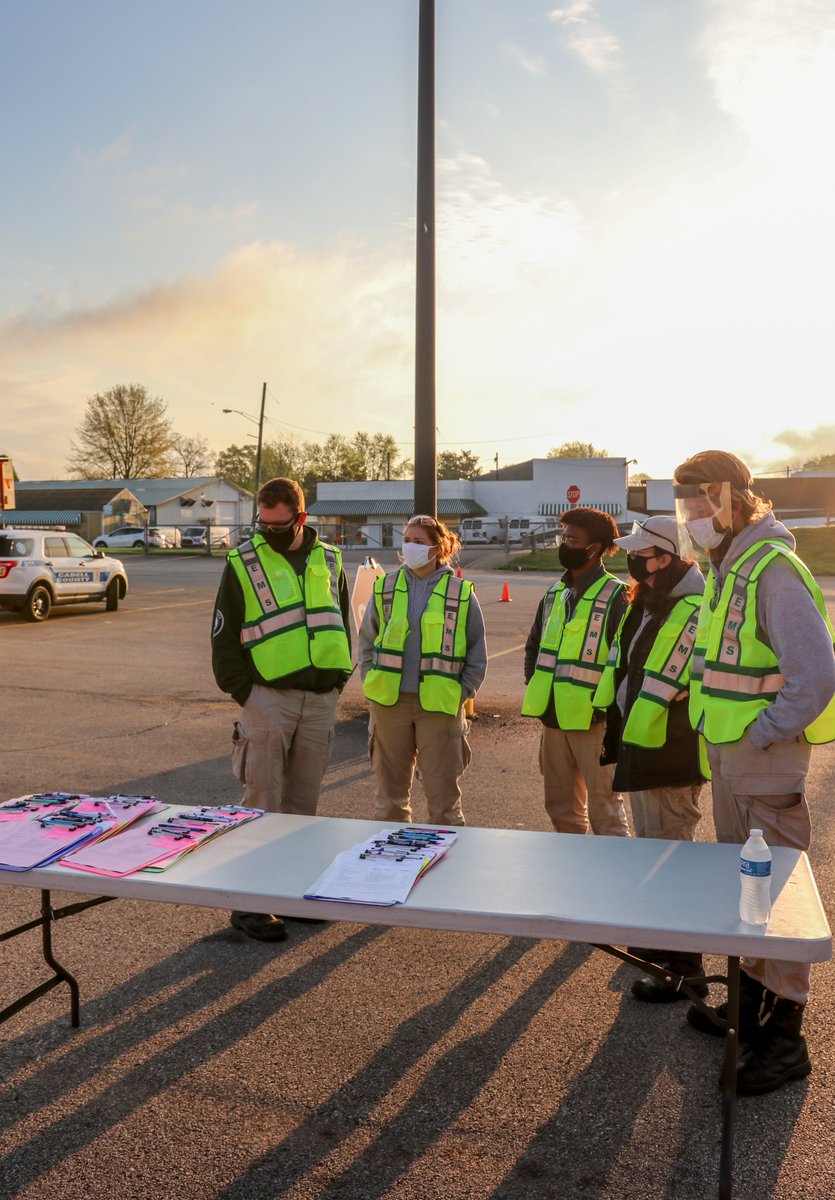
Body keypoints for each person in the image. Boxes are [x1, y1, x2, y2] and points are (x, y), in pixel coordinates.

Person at [673, 450, 835, 1095]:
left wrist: (763, 736)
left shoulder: (771, 567)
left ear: (732, 497)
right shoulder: (728, 566)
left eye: (698, 503)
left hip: (762, 760)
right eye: (682, 505)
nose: (691, 517)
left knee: (782, 895)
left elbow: (816, 675)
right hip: (732, 759)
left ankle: (785, 1039)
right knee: (747, 893)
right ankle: (748, 1009)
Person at [211, 477, 352, 942]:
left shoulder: (330, 559)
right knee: (261, 803)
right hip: (267, 699)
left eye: (278, 524)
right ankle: (249, 905)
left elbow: (343, 622)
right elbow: (223, 636)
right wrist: (246, 695)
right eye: (262, 523)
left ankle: (292, 895)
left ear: (301, 519)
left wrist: (336, 683)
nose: (268, 531)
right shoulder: (243, 562)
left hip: (318, 700)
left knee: (301, 807)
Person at [593, 515, 708, 1000]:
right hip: (644, 746)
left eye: (642, 552)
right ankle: (665, 946)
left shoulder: (695, 607)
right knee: (654, 849)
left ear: (666, 557)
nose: (632, 559)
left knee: (674, 856)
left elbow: (704, 682)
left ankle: (688, 972)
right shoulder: (650, 603)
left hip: (673, 751)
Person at [358, 514, 487, 826]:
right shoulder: (385, 587)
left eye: (419, 541)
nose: (410, 546)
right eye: (407, 540)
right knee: (389, 806)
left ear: (437, 548)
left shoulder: (460, 593)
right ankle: (391, 870)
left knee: (444, 807)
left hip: (440, 707)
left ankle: (446, 871)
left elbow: (477, 652)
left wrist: (461, 691)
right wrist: (370, 683)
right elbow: (366, 642)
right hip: (390, 705)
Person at [522, 507, 629, 835]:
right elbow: (534, 646)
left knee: (605, 811)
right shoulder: (554, 593)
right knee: (561, 809)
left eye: (572, 539)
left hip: (595, 723)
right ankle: (575, 877)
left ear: (595, 547)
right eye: (563, 537)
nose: (564, 543)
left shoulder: (617, 595)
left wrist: (611, 718)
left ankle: (612, 882)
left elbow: (625, 662)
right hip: (553, 720)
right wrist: (537, 686)